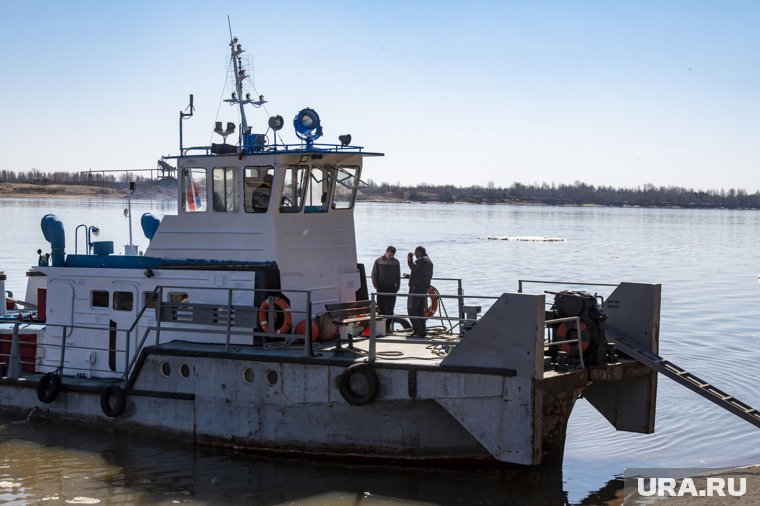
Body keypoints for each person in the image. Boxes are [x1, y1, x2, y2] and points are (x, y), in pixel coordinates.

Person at [371, 246, 401, 331]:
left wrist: (397, 286)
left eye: (392, 255)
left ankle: (387, 327)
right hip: (381, 287)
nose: (391, 256)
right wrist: (376, 286)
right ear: (386, 252)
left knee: (390, 308)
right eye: (389, 254)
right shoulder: (378, 261)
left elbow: (398, 275)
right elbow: (374, 274)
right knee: (381, 307)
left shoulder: (396, 262)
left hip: (392, 288)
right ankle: (381, 327)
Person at [406, 245, 433, 338]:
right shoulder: (429, 261)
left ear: (418, 252)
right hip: (423, 290)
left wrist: (409, 258)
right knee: (420, 311)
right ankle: (422, 330)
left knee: (412, 309)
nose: (415, 254)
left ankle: (417, 331)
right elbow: (421, 273)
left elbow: (413, 267)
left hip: (415, 289)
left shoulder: (421, 260)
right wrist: (411, 276)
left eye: (415, 252)